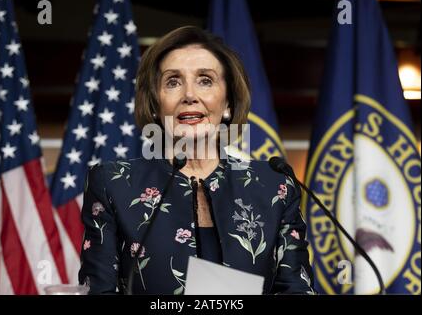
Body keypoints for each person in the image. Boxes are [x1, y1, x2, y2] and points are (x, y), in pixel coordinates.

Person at [78, 26, 315, 295]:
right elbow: (98, 290)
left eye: (205, 80)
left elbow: (296, 289)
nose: (189, 95)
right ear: (155, 104)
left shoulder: (275, 186)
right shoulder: (113, 184)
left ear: (228, 102)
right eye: (173, 81)